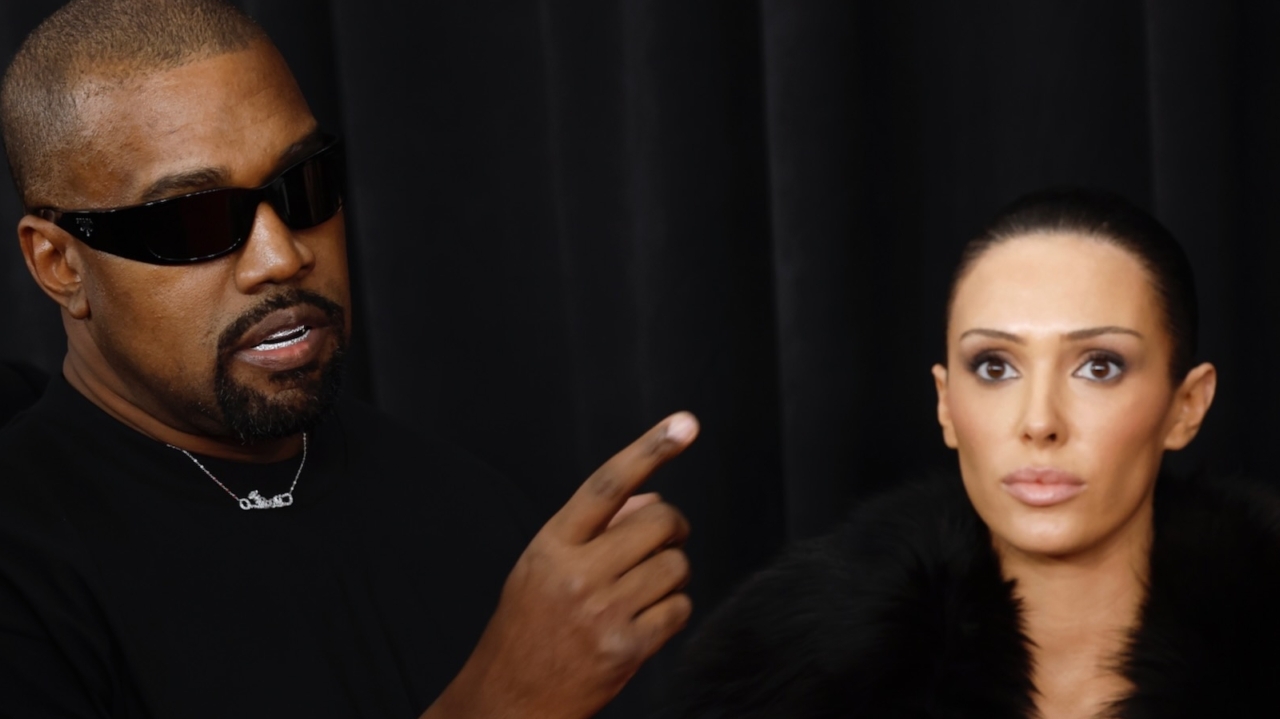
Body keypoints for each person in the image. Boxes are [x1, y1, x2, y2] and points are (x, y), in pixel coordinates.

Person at [0, 1, 697, 717]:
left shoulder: (465, 504)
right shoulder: (25, 564)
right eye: (195, 219)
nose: (282, 256)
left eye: (302, 185)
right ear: (59, 264)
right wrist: (504, 701)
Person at [666, 188, 1280, 718]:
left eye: (1099, 366)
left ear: (1187, 406)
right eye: (994, 366)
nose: (1039, 422)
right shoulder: (790, 679)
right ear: (945, 404)